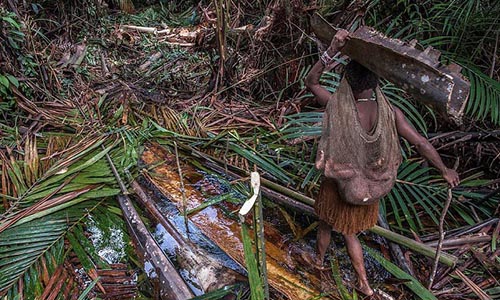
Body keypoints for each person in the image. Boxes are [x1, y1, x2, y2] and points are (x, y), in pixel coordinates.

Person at [304, 29, 460, 296]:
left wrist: (332, 49)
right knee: (339, 227)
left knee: (335, 227)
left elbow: (311, 81)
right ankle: (342, 273)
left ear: (347, 81)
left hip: (341, 182)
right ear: (374, 83)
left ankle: (339, 272)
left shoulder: (336, 105)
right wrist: (444, 170)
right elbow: (420, 143)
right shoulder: (391, 112)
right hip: (369, 187)